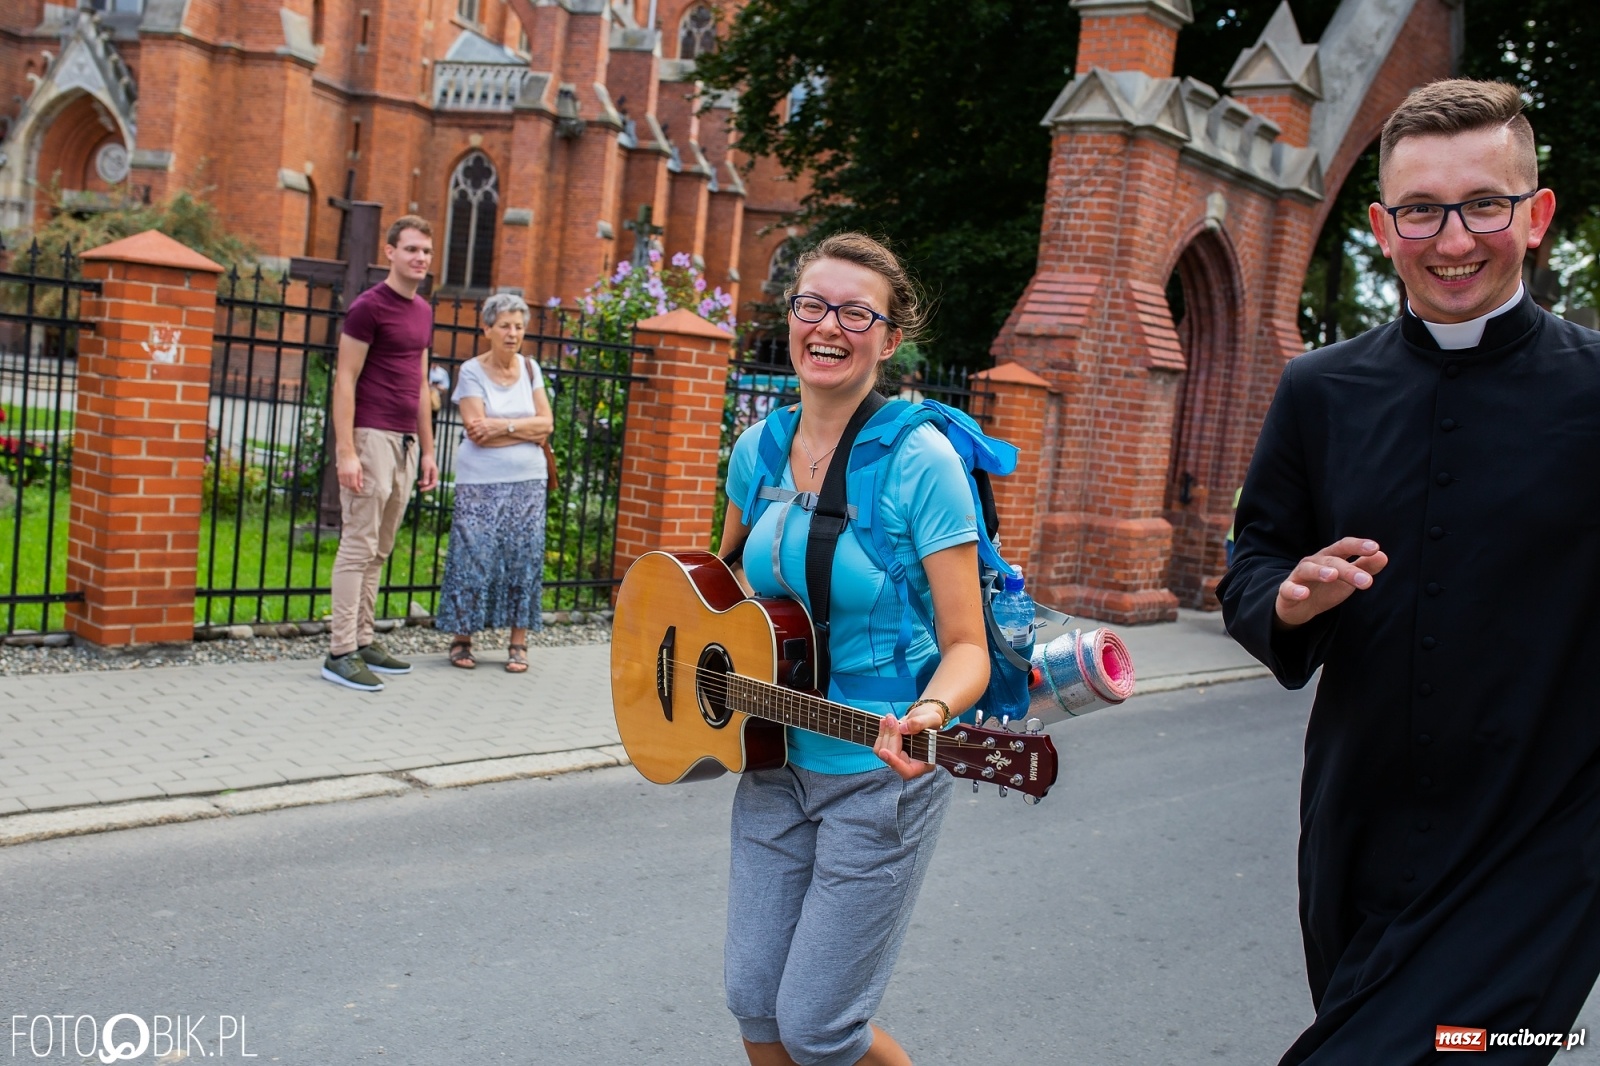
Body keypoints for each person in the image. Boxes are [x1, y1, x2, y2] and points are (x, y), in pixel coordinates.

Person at [1218, 79, 1600, 1065]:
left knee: (1447, 1053)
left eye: (1484, 203)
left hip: (1542, 858)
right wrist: (1290, 599)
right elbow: (1252, 563)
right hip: (1355, 838)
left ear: (1535, 213)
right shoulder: (1317, 391)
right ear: (1384, 226)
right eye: (1421, 210)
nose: (1452, 238)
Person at [716, 233, 990, 1066]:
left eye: (854, 311)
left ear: (889, 336)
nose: (827, 326)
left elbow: (968, 645)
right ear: (790, 316)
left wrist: (930, 714)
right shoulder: (757, 449)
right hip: (770, 757)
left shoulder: (923, 460)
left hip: (878, 770)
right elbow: (718, 588)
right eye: (812, 305)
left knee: (818, 1027)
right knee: (755, 1006)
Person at [321, 214, 441, 692]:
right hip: (370, 437)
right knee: (357, 545)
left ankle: (364, 638)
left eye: (426, 252)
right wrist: (346, 451)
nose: (420, 259)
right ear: (389, 252)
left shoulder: (423, 312)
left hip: (406, 442)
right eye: (411, 249)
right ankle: (340, 650)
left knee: (380, 547)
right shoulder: (368, 308)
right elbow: (344, 380)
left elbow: (419, 385)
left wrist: (429, 451)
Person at [434, 293, 553, 673]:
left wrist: (503, 425)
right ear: (487, 328)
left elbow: (546, 424)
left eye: (519, 326)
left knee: (524, 557)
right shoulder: (470, 371)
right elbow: (475, 430)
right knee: (473, 556)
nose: (512, 333)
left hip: (529, 481)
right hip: (479, 481)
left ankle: (518, 643)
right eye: (504, 325)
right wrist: (524, 428)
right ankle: (462, 638)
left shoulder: (531, 369)